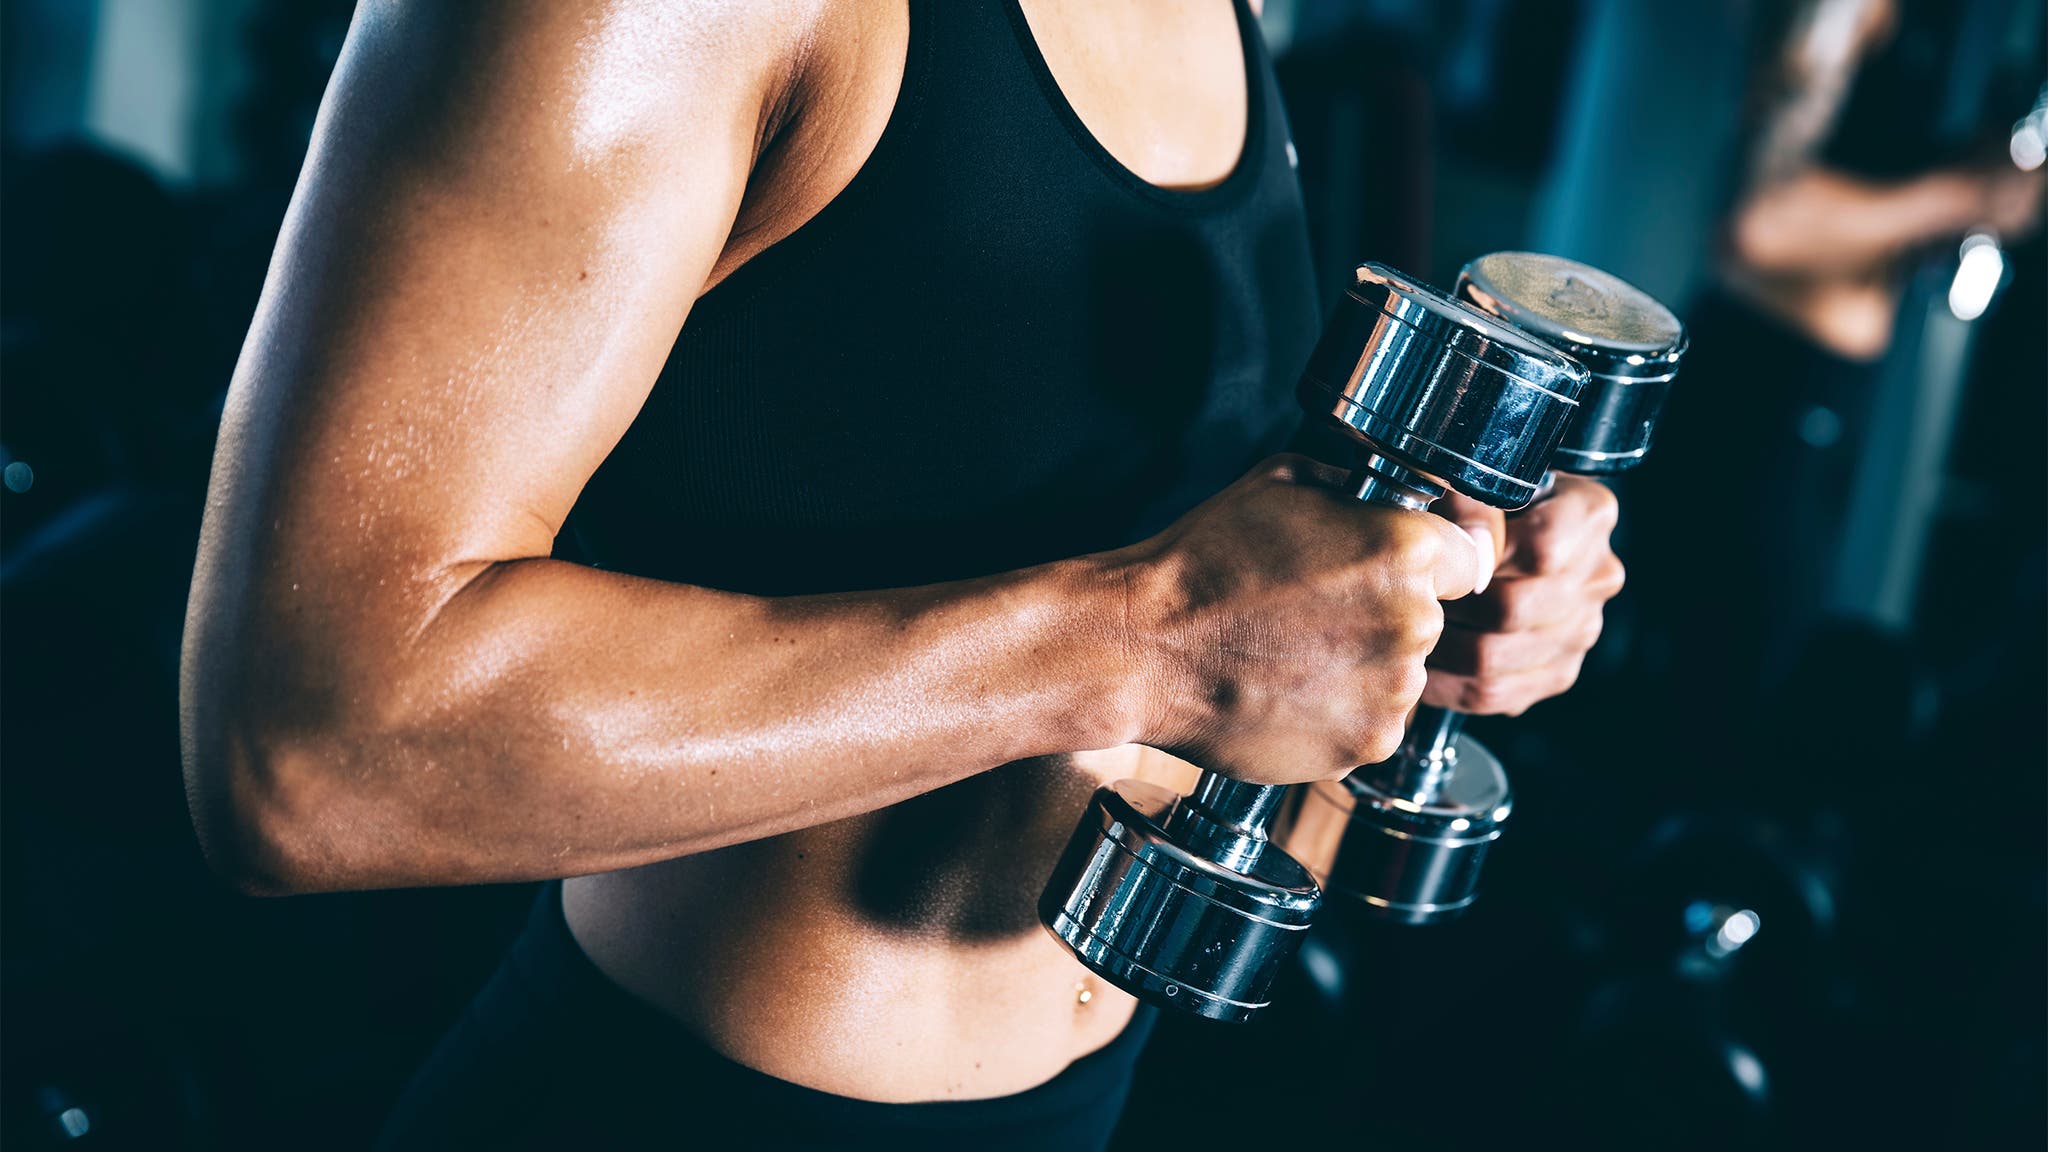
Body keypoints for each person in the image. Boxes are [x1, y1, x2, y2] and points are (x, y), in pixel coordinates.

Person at [179, 2, 1624, 1146]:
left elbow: (1198, 618)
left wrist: (1419, 593)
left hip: (1078, 1108)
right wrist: (1146, 640)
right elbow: (314, 751)